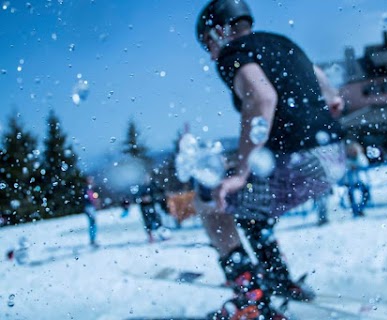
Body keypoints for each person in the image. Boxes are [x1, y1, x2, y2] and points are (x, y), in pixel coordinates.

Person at [195, 1, 346, 319]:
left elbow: (261, 97)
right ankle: (277, 279)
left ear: (218, 32)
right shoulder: (282, 43)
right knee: (249, 205)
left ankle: (252, 297)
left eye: (207, 44)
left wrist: (242, 170)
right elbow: (330, 93)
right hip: (332, 155)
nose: (210, 55)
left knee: (210, 196)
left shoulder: (232, 52)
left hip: (299, 161)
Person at [341, 141, 370, 217]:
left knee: (365, 194)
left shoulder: (360, 157)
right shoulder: (344, 158)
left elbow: (365, 164)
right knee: (351, 195)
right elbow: (342, 168)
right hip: (348, 181)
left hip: (358, 180)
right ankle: (355, 210)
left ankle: (360, 208)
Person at [136, 174, 165, 243]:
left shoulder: (153, 186)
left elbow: (160, 194)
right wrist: (141, 199)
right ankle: (150, 237)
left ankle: (163, 235)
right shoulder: (140, 187)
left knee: (158, 221)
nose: (146, 179)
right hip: (144, 207)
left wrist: (151, 198)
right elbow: (135, 197)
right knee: (147, 222)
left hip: (153, 206)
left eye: (147, 178)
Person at [83, 176, 101, 247]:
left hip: (90, 208)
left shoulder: (89, 189)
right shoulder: (87, 189)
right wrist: (95, 201)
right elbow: (90, 198)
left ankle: (93, 239)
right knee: (92, 223)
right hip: (89, 208)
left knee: (92, 224)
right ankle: (92, 240)